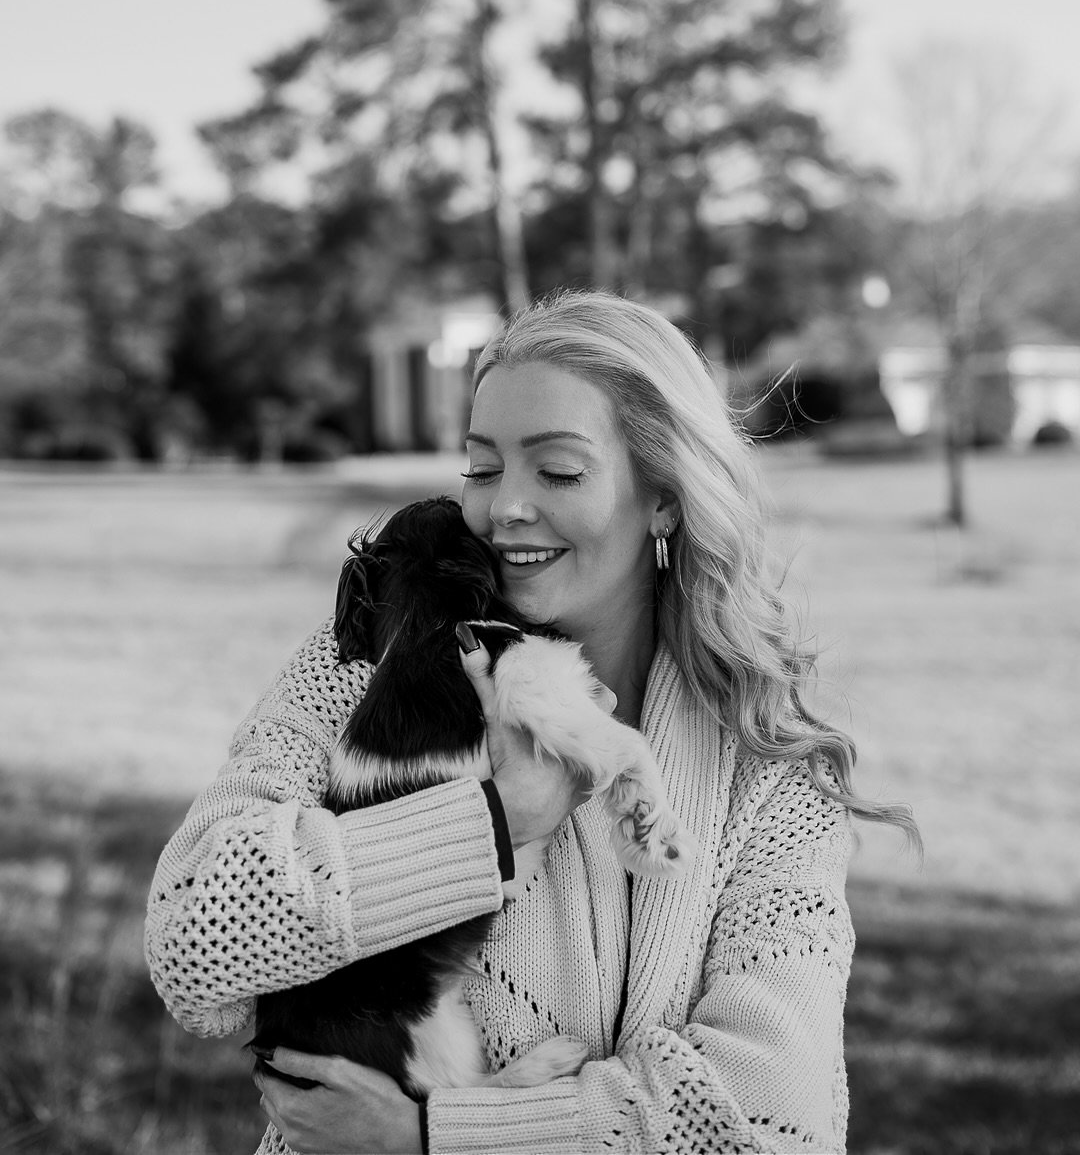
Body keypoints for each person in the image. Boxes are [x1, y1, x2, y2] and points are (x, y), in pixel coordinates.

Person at [145, 289, 918, 1155]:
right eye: (481, 467)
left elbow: (778, 1120)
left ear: (664, 495)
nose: (503, 507)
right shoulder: (361, 667)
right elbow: (190, 944)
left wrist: (436, 1137)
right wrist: (496, 823)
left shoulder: (769, 767)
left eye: (556, 471)